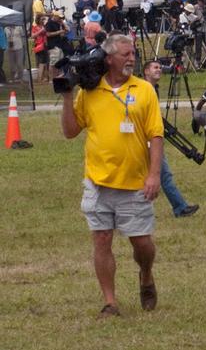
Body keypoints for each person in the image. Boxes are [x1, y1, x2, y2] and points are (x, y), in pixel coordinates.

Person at [60, 34, 164, 317]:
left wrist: (154, 175)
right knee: (102, 239)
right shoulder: (90, 92)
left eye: (133, 54)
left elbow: (156, 136)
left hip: (135, 183)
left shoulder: (143, 90)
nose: (131, 58)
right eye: (125, 54)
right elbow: (70, 132)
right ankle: (110, 302)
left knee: (141, 244)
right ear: (108, 59)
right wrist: (68, 95)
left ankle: (145, 274)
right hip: (97, 181)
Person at [140, 60, 199, 218]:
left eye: (160, 67)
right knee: (163, 174)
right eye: (155, 67)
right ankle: (180, 208)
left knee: (161, 174)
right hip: (146, 139)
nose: (159, 70)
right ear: (146, 71)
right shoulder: (143, 89)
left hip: (150, 138)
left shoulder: (152, 88)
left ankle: (179, 207)